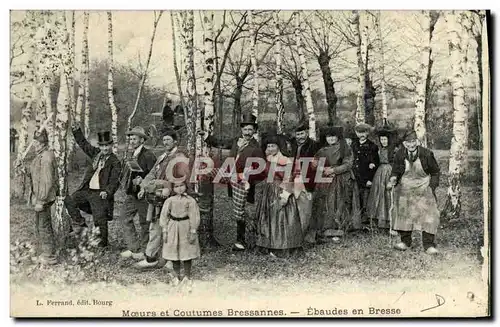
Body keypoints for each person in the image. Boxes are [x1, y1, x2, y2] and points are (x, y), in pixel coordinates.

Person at [203, 113, 266, 251]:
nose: (247, 133)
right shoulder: (236, 141)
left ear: (254, 131)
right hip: (229, 176)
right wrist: (206, 137)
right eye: (245, 130)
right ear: (241, 130)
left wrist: (247, 177)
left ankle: (243, 240)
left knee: (240, 212)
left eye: (250, 130)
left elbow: (262, 170)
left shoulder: (256, 148)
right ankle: (202, 200)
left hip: (243, 182)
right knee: (205, 171)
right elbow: (221, 142)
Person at [133, 128, 191, 269]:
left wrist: (169, 188)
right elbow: (152, 173)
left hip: (172, 197)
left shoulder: (180, 157)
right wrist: (144, 186)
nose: (165, 142)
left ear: (175, 141)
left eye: (168, 140)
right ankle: (151, 258)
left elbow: (183, 179)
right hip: (157, 198)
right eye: (164, 140)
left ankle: (172, 260)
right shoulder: (162, 156)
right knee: (155, 227)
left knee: (172, 229)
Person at [65, 123, 121, 247]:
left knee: (99, 219)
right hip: (87, 190)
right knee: (69, 201)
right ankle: (81, 224)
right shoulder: (96, 154)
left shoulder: (115, 162)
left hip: (100, 193)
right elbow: (84, 144)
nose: (105, 148)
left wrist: (107, 191)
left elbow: (114, 180)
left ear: (111, 145)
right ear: (99, 146)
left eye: (107, 145)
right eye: (103, 146)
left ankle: (103, 245)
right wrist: (76, 130)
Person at [387, 130, 441, 254]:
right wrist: (393, 178)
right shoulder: (399, 154)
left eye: (413, 142)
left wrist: (431, 187)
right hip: (406, 187)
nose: (411, 145)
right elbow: (395, 171)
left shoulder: (427, 154)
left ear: (417, 141)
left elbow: (435, 172)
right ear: (404, 144)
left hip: (423, 186)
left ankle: (428, 245)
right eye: (408, 142)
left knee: (429, 214)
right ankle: (405, 242)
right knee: (404, 213)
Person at [311, 125, 361, 243]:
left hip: (341, 179)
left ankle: (338, 230)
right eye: (328, 137)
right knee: (326, 204)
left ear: (338, 137)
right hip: (325, 179)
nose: (331, 139)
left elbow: (348, 164)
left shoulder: (345, 148)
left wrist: (334, 170)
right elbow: (314, 163)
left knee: (338, 203)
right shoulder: (322, 150)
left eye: (333, 136)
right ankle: (325, 230)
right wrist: (320, 167)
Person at [255, 133, 303, 256]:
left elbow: (288, 179)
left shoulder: (286, 161)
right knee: (269, 218)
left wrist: (285, 196)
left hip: (280, 191)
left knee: (281, 218)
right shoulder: (269, 159)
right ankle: (269, 246)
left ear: (279, 147)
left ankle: (282, 248)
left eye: (273, 146)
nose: (270, 149)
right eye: (268, 146)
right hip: (269, 191)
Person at [119, 126, 157, 259]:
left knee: (144, 222)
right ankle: (134, 248)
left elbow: (154, 174)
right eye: (130, 138)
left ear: (142, 140)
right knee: (124, 217)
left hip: (144, 194)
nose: (132, 141)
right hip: (132, 194)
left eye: (135, 138)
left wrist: (143, 183)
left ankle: (146, 251)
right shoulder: (131, 154)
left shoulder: (148, 155)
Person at [159, 180, 200, 287]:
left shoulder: (190, 201)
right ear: (173, 188)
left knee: (187, 252)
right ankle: (177, 276)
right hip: (172, 226)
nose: (179, 188)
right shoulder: (170, 200)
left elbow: (194, 216)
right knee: (174, 252)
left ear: (186, 186)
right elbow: (164, 215)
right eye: (176, 186)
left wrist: (193, 230)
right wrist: (164, 230)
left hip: (185, 226)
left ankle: (187, 276)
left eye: (182, 185)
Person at [28, 129, 58, 265]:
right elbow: (33, 173)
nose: (34, 144)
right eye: (34, 142)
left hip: (44, 198)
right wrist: (22, 168)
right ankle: (46, 252)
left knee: (44, 226)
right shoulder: (40, 156)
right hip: (40, 198)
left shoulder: (46, 157)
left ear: (43, 143)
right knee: (41, 225)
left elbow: (47, 181)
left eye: (36, 142)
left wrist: (41, 200)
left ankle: (49, 256)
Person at [289, 122, 321, 243]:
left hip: (307, 180)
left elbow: (318, 162)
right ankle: (295, 234)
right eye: (297, 134)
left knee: (307, 207)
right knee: (294, 206)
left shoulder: (313, 145)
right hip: (293, 178)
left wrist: (315, 163)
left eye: (302, 133)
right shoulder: (291, 144)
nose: (300, 136)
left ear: (306, 133)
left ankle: (309, 236)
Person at [366, 127, 397, 229]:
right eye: (382, 139)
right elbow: (376, 160)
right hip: (379, 172)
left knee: (388, 195)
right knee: (378, 194)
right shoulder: (379, 150)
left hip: (389, 170)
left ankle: (390, 221)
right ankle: (379, 221)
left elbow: (396, 164)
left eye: (385, 139)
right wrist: (373, 164)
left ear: (389, 139)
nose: (383, 141)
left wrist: (392, 178)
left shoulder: (394, 150)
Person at [351, 123, 380, 228]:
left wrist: (370, 179)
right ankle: (356, 221)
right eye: (359, 132)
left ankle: (366, 222)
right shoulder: (354, 145)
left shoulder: (373, 146)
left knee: (366, 198)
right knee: (356, 198)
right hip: (355, 176)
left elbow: (375, 164)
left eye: (364, 132)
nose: (361, 135)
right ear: (356, 133)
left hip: (366, 177)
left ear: (368, 133)